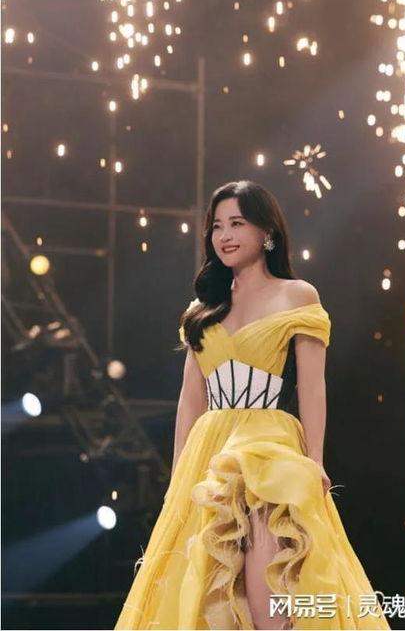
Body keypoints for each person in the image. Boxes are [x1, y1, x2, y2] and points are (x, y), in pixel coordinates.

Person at [115, 180, 391, 630]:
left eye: (237, 223)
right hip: (210, 448)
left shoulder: (297, 294)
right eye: (217, 226)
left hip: (268, 443)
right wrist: (180, 472)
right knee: (205, 584)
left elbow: (312, 387)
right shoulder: (203, 308)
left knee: (271, 578)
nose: (224, 235)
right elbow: (191, 397)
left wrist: (315, 460)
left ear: (267, 232)